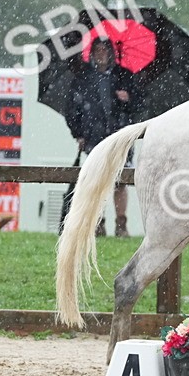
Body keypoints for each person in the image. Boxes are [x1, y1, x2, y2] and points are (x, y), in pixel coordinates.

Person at [65, 36, 139, 236]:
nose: (101, 54)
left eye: (105, 50)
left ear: (111, 53)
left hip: (121, 135)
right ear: (91, 53)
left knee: (120, 181)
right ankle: (99, 223)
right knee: (97, 180)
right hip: (94, 137)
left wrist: (128, 99)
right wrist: (79, 133)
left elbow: (139, 106)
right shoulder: (83, 79)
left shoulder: (124, 76)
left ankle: (121, 224)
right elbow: (72, 109)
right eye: (97, 50)